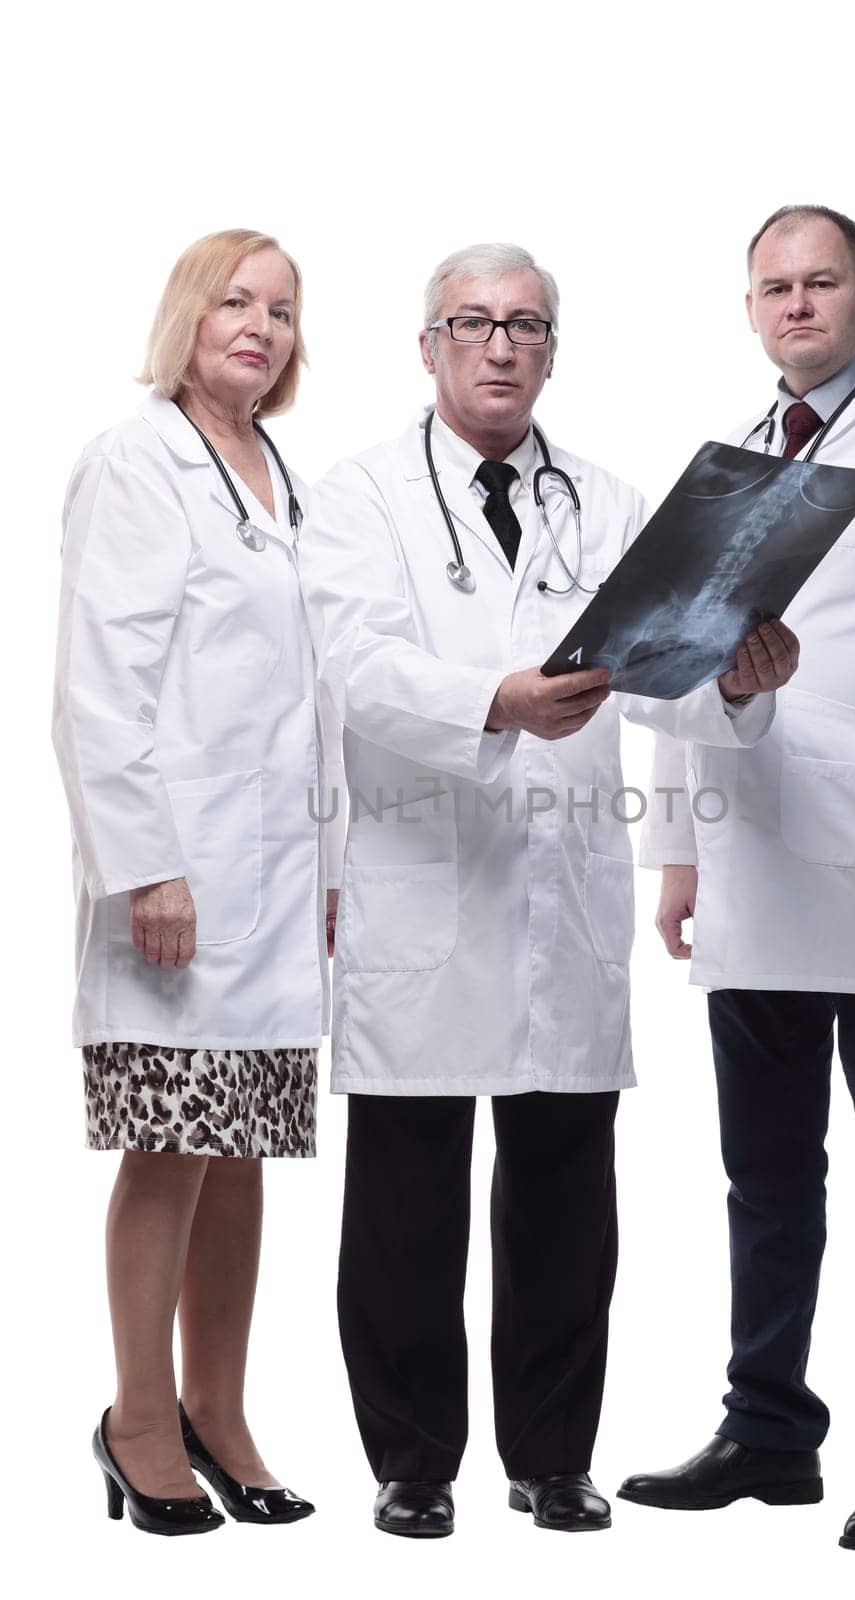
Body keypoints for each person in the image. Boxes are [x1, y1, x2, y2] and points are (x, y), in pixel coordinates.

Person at [298, 241, 799, 1539]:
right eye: (474, 321)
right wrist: (496, 701)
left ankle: (554, 1458)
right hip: (424, 885)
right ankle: (413, 1465)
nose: (502, 345)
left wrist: (738, 677)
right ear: (429, 347)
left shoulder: (614, 501)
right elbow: (355, 665)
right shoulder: (360, 499)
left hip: (563, 898)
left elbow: (666, 678)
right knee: (408, 1202)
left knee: (566, 1201)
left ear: (554, 350)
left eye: (527, 324)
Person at [617, 205, 855, 1555]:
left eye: (821, 281)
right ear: (750, 309)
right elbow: (677, 643)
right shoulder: (732, 452)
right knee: (763, 1170)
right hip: (748, 844)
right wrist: (674, 849)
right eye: (775, 287)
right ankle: (770, 1431)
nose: (798, 304)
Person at [52, 229, 344, 1535]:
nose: (261, 326)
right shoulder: (138, 462)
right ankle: (138, 1418)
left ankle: (221, 1410)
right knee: (170, 1145)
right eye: (235, 301)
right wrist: (148, 865)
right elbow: (97, 688)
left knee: (245, 1153)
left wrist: (334, 865)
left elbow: (314, 692)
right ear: (188, 315)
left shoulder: (282, 473)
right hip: (179, 875)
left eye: (281, 310)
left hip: (279, 882)